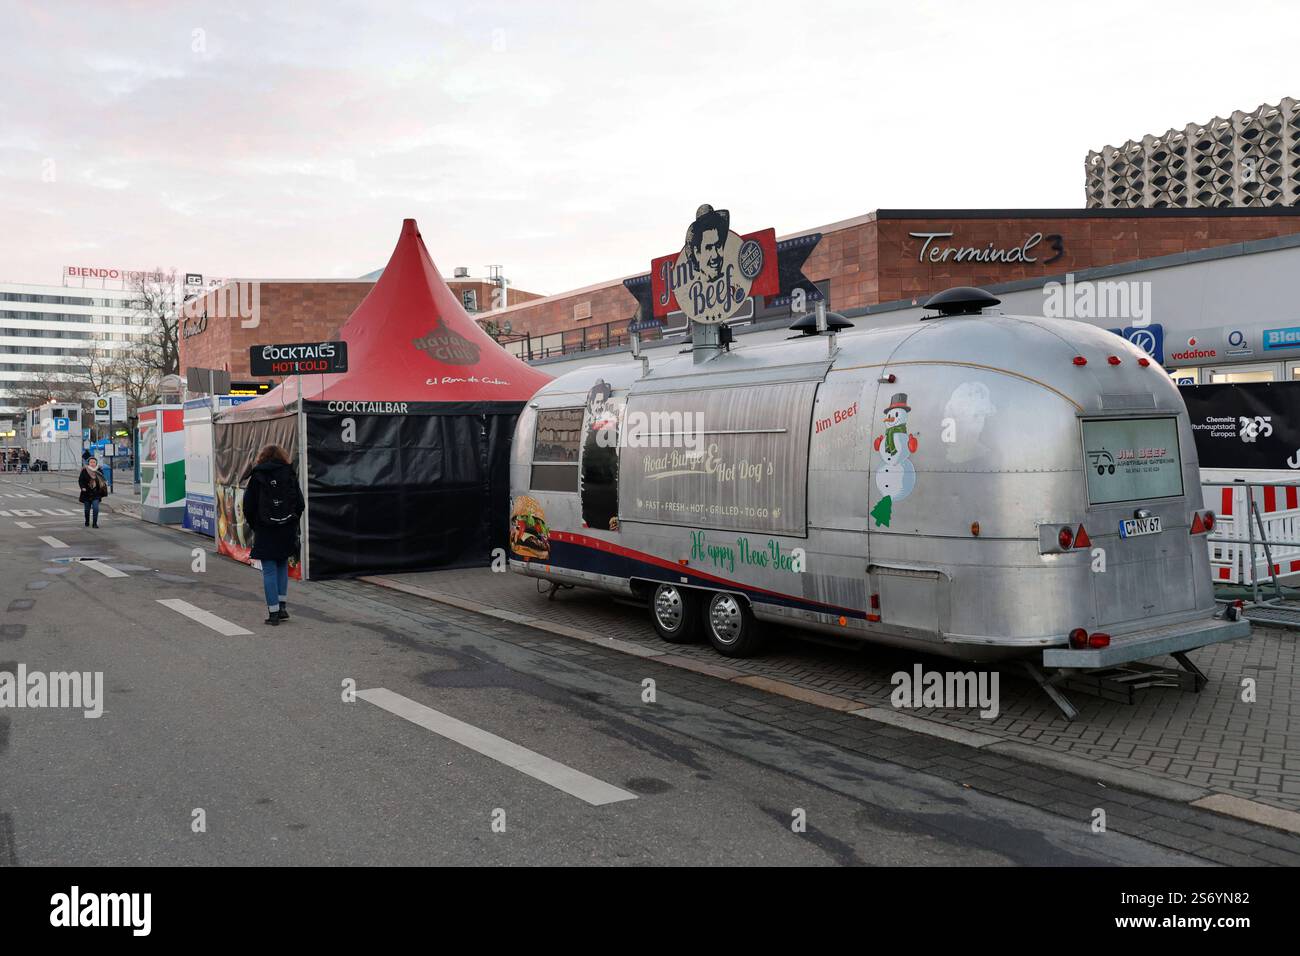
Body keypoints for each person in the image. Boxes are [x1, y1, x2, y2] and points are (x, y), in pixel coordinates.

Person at [241, 444, 305, 627]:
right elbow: (299, 503)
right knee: (282, 565)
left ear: (262, 457)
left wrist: (257, 525)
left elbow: (248, 506)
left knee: (269, 569)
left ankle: (273, 612)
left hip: (265, 528)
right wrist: (291, 521)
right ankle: (282, 606)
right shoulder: (289, 473)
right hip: (286, 528)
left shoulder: (258, 476)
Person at [78, 456, 108, 528]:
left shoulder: (99, 470)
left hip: (96, 493)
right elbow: (80, 480)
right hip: (86, 492)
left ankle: (95, 523)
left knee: (96, 508)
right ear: (88, 463)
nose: (92, 463)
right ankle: (87, 521)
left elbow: (102, 479)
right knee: (87, 510)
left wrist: (103, 484)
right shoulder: (84, 470)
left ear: (96, 463)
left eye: (94, 462)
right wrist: (83, 488)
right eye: (91, 462)